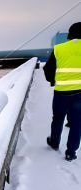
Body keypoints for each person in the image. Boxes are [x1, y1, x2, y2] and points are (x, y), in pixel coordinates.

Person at [43, 22, 81, 161]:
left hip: (61, 92)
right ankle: (71, 152)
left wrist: (53, 81)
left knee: (58, 118)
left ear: (70, 35)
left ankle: (54, 142)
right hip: (80, 93)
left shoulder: (59, 48)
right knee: (77, 123)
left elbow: (48, 69)